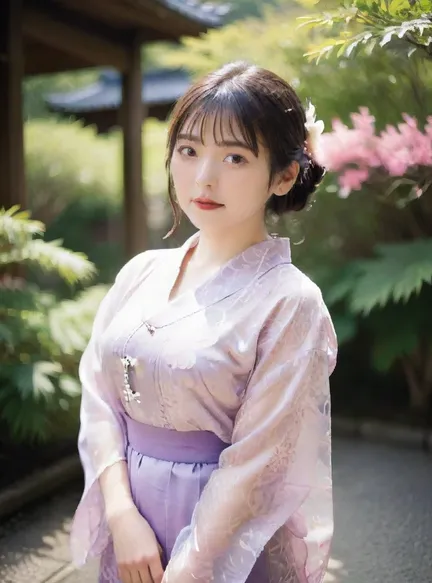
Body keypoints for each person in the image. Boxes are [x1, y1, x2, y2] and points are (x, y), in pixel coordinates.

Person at [70, 61, 337, 583]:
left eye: (234, 157)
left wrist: (193, 566)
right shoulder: (142, 271)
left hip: (222, 531)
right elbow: (98, 393)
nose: (203, 177)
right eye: (189, 151)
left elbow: (259, 461)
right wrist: (121, 514)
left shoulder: (291, 302)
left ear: (283, 175)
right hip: (133, 521)